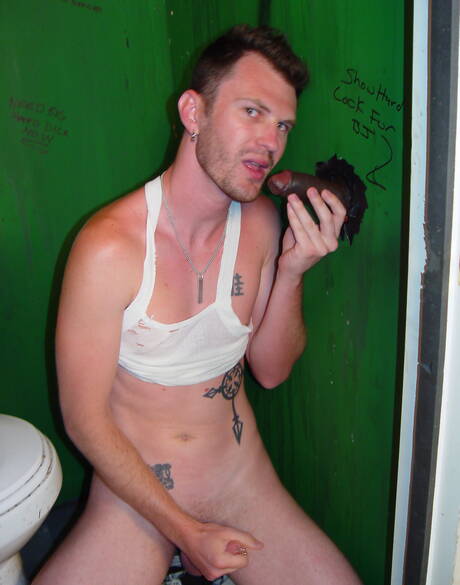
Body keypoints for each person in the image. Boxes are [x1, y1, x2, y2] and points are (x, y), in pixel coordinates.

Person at [34, 24, 361, 585]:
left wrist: (292, 272)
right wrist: (188, 534)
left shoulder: (260, 224)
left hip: (240, 482)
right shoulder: (109, 247)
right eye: (252, 112)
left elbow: (272, 371)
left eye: (282, 125)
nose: (271, 142)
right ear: (193, 112)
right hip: (137, 495)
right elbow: (83, 419)